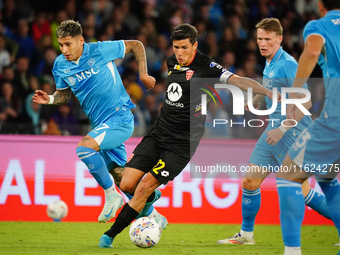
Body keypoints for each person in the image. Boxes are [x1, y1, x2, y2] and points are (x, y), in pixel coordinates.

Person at [98, 23, 276, 248]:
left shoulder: (207, 67)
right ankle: (151, 201)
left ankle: (109, 236)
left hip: (182, 144)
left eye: (184, 48)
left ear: (195, 45)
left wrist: (267, 91)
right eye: (176, 48)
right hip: (158, 134)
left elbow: (238, 81)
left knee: (143, 187)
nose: (179, 53)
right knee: (126, 184)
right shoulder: (171, 61)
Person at [217, 18, 331, 245]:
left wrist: (281, 128)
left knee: (304, 192)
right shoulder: (270, 62)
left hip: (293, 133)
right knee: (249, 181)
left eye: (268, 39)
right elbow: (272, 86)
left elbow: (305, 103)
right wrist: (257, 100)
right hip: (273, 132)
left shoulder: (287, 64)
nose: (263, 43)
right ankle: (246, 235)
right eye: (260, 39)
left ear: (279, 39)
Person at [32, 20, 157, 223]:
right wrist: (51, 99)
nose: (64, 49)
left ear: (81, 40)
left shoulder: (99, 50)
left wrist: (143, 73)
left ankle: (111, 195)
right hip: (101, 126)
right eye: (61, 44)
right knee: (121, 177)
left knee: (84, 148)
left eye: (68, 44)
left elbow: (136, 44)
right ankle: (153, 212)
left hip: (120, 117)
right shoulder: (60, 65)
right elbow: (64, 95)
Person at [276, 1, 340, 254]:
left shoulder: (318, 25)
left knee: (288, 176)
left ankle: (292, 251)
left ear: (320, 5)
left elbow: (312, 51)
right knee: (326, 177)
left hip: (336, 116)